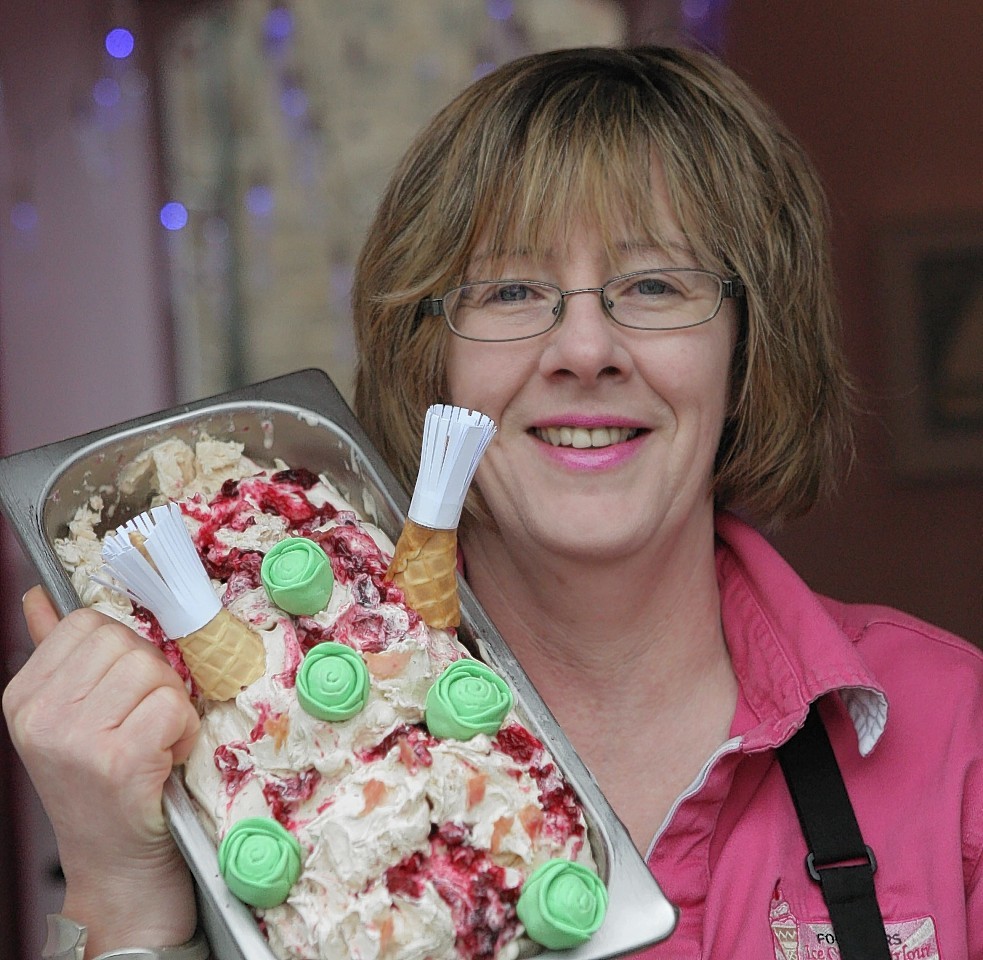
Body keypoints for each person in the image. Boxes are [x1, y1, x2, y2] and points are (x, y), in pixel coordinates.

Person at [4, 44, 982, 960]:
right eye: (511, 290)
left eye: (651, 283)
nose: (585, 349)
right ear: (429, 352)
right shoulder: (225, 746)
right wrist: (119, 890)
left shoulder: (953, 737)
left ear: (746, 346)